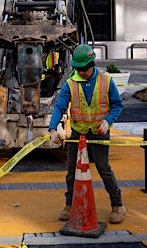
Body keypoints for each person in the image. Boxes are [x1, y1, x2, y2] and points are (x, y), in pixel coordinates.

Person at [47, 44, 126, 224]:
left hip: (99, 133)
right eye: (78, 68)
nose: (81, 72)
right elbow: (59, 106)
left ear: (92, 64)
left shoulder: (106, 80)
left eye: (84, 68)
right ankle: (69, 205)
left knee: (104, 169)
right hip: (79, 132)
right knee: (71, 171)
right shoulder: (71, 83)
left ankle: (118, 205)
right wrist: (53, 129)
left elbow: (117, 105)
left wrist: (107, 120)